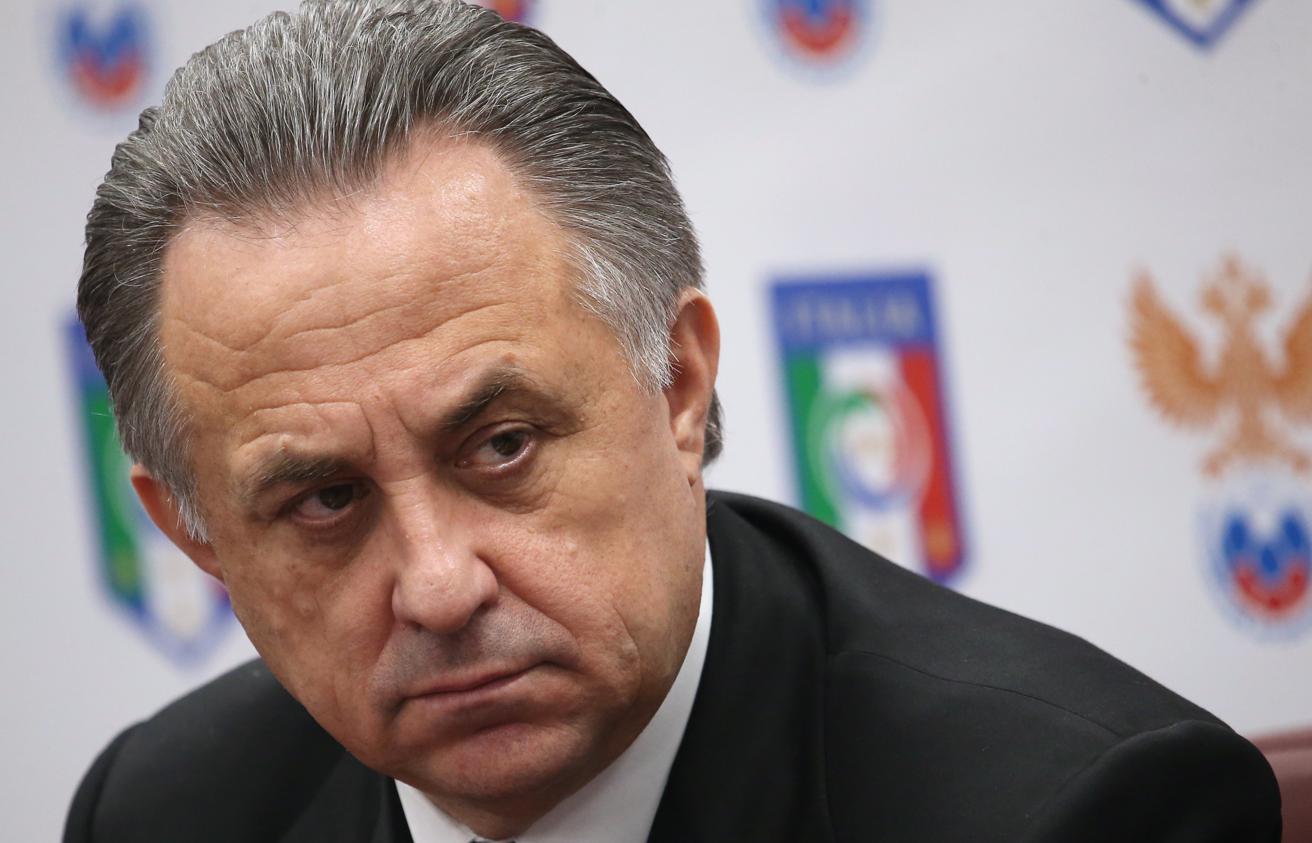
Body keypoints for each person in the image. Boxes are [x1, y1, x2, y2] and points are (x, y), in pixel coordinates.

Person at [65, 2, 1281, 841]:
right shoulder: (165, 814)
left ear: (679, 385)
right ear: (196, 533)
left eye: (502, 447)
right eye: (327, 499)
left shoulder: (1076, 813)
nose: (438, 588)